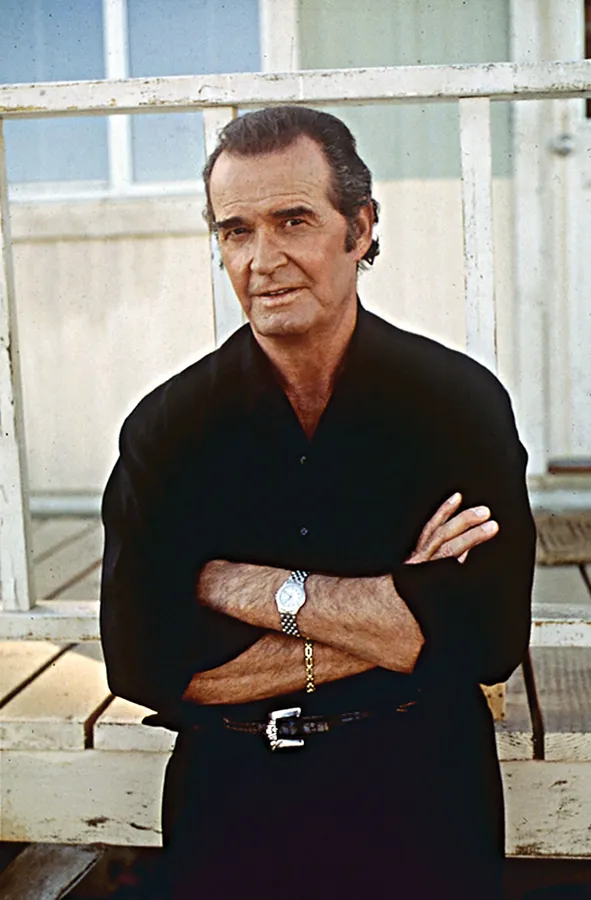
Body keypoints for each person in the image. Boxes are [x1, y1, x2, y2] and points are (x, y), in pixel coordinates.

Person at [100, 106, 536, 900]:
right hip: (231, 802)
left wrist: (242, 587)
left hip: (420, 794)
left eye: (293, 221)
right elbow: (142, 661)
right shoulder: (168, 427)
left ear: (359, 229)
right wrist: (401, 608)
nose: (262, 260)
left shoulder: (457, 404)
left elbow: (487, 636)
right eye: (236, 231)